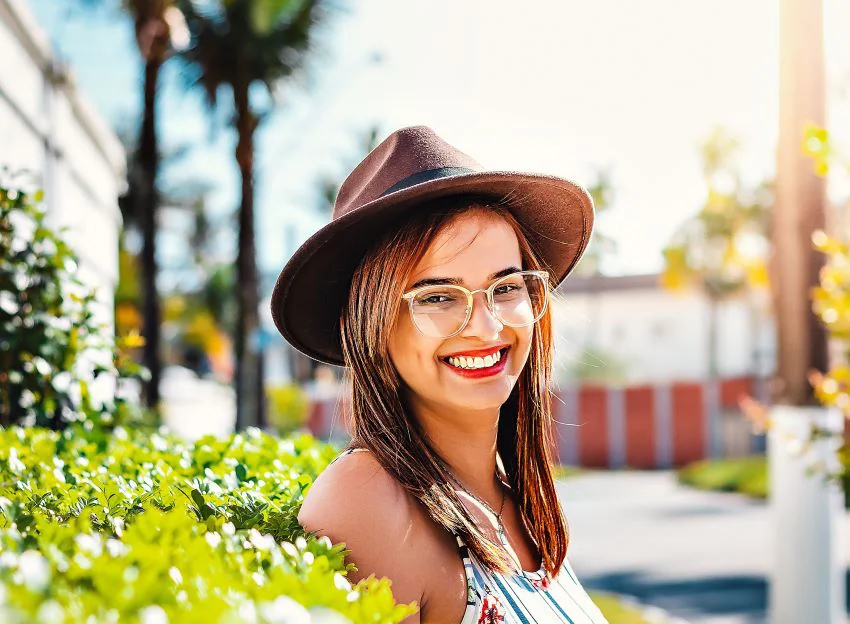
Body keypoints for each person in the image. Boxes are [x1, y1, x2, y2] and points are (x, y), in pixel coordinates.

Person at [270, 126, 609, 623]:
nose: (486, 326)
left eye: (507, 287)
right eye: (437, 297)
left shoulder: (510, 498)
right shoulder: (369, 503)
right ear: (368, 327)